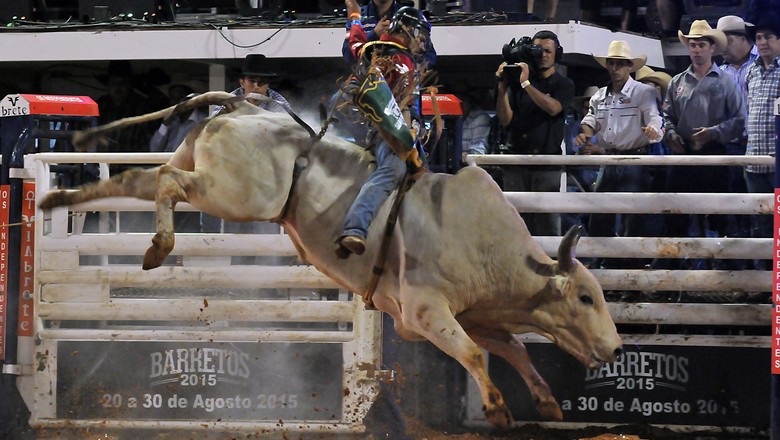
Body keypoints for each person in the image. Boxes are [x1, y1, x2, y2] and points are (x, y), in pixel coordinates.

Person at [337, 5, 431, 256]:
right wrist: (410, 133)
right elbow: (404, 106)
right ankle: (355, 227)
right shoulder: (401, 61)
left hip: (378, 129)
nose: (421, 42)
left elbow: (354, 44)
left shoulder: (374, 49)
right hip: (388, 132)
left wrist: (355, 18)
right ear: (407, 30)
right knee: (394, 168)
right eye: (419, 34)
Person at [662, 20, 746, 270]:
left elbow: (740, 120)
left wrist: (714, 133)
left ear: (712, 48)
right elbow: (667, 116)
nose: (696, 49)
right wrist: (672, 135)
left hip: (714, 154)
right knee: (675, 213)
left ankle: (729, 270)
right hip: (682, 154)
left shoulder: (725, 81)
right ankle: (674, 269)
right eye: (692, 45)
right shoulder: (677, 82)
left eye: (701, 45)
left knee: (720, 213)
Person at [575, 40, 663, 269]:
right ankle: (603, 263)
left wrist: (654, 130)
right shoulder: (599, 96)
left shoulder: (643, 92)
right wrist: (585, 133)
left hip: (635, 158)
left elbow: (654, 118)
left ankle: (628, 266)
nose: (615, 68)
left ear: (629, 67)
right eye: (612, 64)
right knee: (600, 214)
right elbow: (590, 120)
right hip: (609, 158)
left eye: (620, 64)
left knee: (632, 216)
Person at [495, 30, 575, 237]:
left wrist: (526, 83)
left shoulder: (563, 84)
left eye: (548, 51)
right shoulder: (517, 84)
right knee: (515, 221)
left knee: (547, 221)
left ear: (558, 54)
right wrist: (502, 88)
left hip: (546, 164)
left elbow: (553, 108)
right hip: (516, 161)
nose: (543, 55)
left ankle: (550, 265)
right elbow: (505, 120)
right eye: (538, 50)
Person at [744, 11, 780, 270]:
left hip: (777, 161)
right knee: (759, 224)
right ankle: (762, 279)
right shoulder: (751, 73)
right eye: (758, 38)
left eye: (768, 37)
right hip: (753, 160)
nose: (762, 42)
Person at [341, 0, 436, 68]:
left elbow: (430, 56)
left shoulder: (411, 16)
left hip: (403, 83)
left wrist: (407, 67)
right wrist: (374, 34)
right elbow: (348, 56)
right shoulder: (358, 15)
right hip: (368, 81)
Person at [95, 60, 154, 154]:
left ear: (130, 85)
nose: (118, 87)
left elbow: (148, 142)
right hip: (101, 165)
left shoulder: (142, 106)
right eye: (114, 83)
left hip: (131, 164)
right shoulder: (100, 105)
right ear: (108, 86)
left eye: (123, 83)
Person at [211, 54, 290, 116]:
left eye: (262, 82)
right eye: (252, 81)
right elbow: (211, 126)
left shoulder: (279, 103)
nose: (256, 86)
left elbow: (291, 128)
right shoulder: (229, 101)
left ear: (267, 84)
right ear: (242, 83)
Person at [150, 74, 207, 153]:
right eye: (172, 98)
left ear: (191, 99)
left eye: (180, 97)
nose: (176, 102)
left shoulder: (203, 122)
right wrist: (165, 125)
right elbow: (154, 150)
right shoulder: (170, 122)